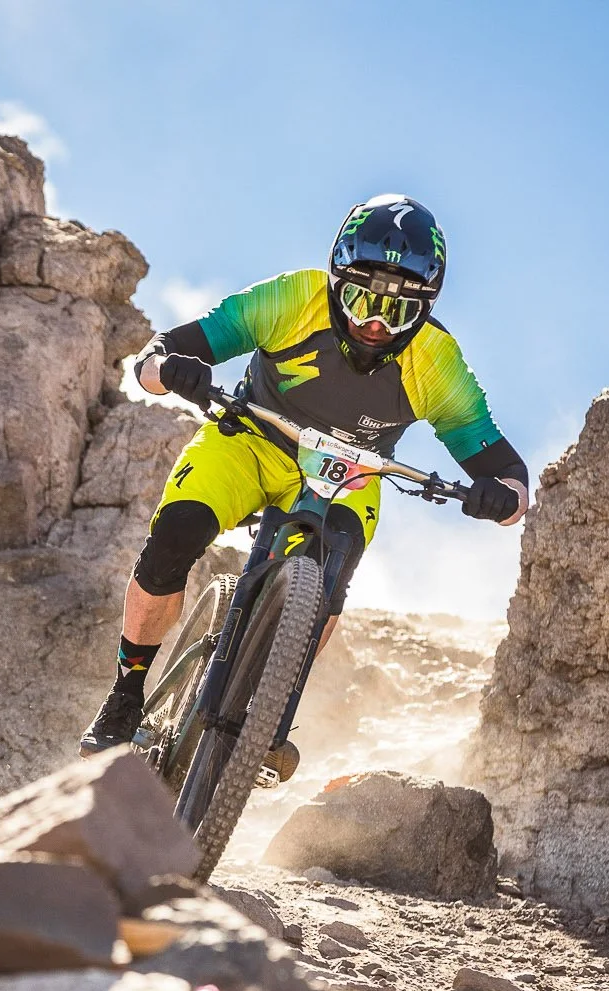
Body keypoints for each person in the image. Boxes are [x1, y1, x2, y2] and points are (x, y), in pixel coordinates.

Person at [79, 194, 529, 762]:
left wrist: (501, 496)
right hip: (249, 443)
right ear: (336, 279)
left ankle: (269, 708)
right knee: (175, 535)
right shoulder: (292, 297)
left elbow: (508, 475)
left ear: (426, 307)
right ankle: (124, 694)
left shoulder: (437, 362)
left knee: (330, 582)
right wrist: (171, 369)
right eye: (362, 300)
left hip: (349, 475)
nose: (373, 323)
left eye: (398, 312)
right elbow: (161, 353)